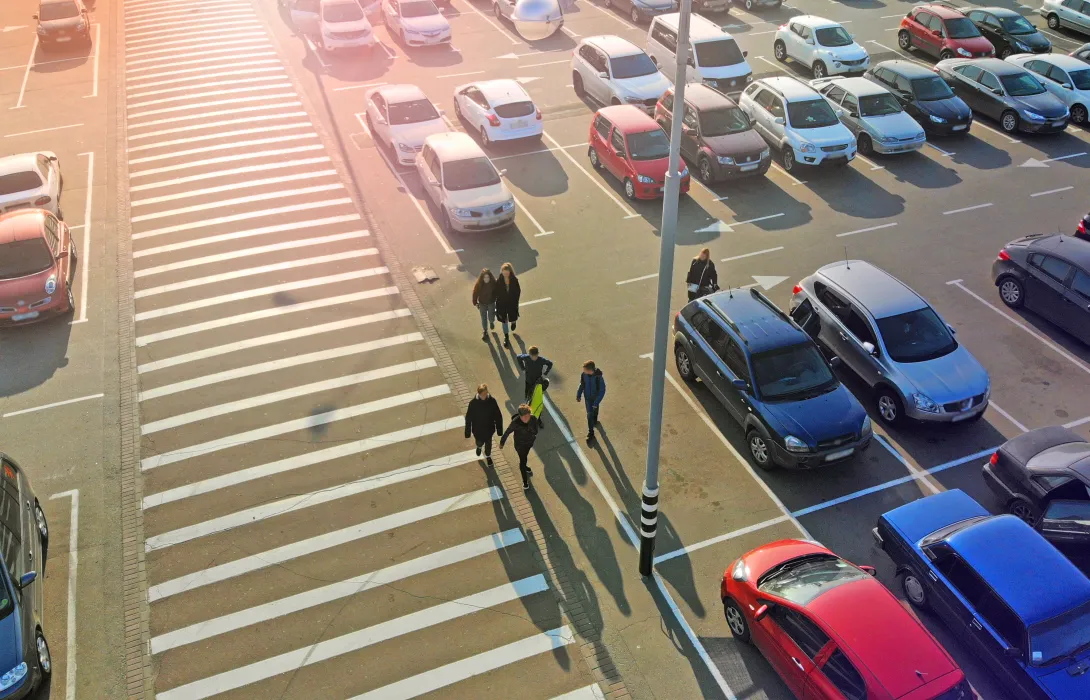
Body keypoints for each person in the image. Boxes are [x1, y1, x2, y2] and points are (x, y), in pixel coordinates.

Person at [500, 404, 540, 490]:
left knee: (524, 457)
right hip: (520, 445)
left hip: (529, 443)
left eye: (528, 416)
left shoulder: (533, 418)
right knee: (522, 460)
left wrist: (531, 430)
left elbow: (536, 430)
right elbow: (507, 432)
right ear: (520, 416)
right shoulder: (515, 422)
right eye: (524, 417)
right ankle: (525, 482)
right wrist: (502, 443)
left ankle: (525, 467)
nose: (527, 418)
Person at [464, 383, 504, 466]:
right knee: (479, 442)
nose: (484, 396)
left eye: (486, 394)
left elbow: (498, 416)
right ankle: (479, 447)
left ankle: (488, 456)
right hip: (478, 429)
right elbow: (468, 418)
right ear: (479, 393)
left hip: (489, 429)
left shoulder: (492, 401)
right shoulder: (473, 403)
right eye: (482, 394)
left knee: (488, 444)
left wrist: (499, 430)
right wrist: (467, 432)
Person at [576, 360, 606, 445]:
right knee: (589, 415)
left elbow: (602, 391)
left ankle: (595, 420)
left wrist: (596, 402)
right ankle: (591, 433)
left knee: (595, 412)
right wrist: (578, 394)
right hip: (588, 399)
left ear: (590, 370)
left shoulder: (598, 378)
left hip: (595, 399)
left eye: (585, 370)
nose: (583, 371)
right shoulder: (584, 375)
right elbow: (582, 384)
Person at [495, 262, 522, 349]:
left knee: (513, 316)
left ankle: (513, 322)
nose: (505, 273)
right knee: (504, 320)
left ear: (510, 272)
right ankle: (506, 337)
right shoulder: (499, 281)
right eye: (504, 271)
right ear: (502, 272)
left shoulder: (514, 280)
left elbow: (518, 291)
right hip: (502, 304)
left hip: (512, 303)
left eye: (507, 271)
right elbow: (495, 292)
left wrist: (515, 301)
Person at [472, 268, 498, 342]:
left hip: (491, 303)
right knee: (483, 318)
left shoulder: (493, 283)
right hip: (482, 303)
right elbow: (475, 292)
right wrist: (475, 302)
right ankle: (485, 331)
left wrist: (497, 299)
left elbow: (497, 292)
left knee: (491, 316)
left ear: (490, 277)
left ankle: (491, 322)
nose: (486, 279)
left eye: (487, 277)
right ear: (482, 278)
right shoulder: (479, 284)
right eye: (485, 277)